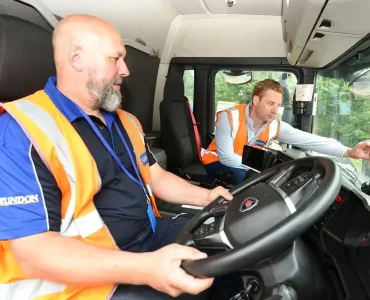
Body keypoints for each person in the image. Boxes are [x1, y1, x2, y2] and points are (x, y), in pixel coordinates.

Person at [0, 14, 234, 300]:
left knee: (229, 245)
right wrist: (145, 268)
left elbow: (155, 177)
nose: (125, 70)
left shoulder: (126, 121)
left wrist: (207, 198)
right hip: (83, 281)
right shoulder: (21, 130)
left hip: (147, 236)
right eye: (116, 58)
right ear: (77, 58)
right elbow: (33, 252)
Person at [202, 79, 370, 185]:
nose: (275, 110)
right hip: (216, 163)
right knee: (247, 178)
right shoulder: (229, 116)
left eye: (278, 105)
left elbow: (308, 139)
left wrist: (348, 151)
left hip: (245, 165)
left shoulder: (274, 124)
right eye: (270, 103)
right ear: (256, 100)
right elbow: (226, 158)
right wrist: (266, 168)